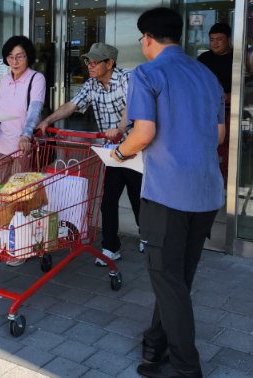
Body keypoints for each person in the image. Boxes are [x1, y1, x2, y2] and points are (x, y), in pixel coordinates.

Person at [112, 8, 225, 378]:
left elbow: (143, 133)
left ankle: (186, 368)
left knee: (167, 278)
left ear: (146, 38)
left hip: (167, 194)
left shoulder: (147, 73)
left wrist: (118, 154)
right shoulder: (206, 74)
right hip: (206, 193)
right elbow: (220, 136)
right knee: (177, 279)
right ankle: (153, 347)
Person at [37, 42, 142, 267]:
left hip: (136, 148)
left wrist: (121, 129)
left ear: (110, 63)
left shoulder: (128, 78)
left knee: (138, 198)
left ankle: (148, 236)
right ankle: (111, 247)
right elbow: (72, 105)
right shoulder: (92, 84)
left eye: (94, 62)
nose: (90, 66)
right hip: (112, 152)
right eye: (88, 62)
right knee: (108, 200)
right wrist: (48, 120)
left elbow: (134, 106)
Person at [0, 35, 46, 267]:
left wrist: (25, 135)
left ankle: (22, 245)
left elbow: (34, 111)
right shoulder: (4, 80)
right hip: (2, 146)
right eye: (10, 56)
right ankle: (1, 238)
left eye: (20, 56)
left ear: (28, 56)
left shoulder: (36, 78)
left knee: (20, 199)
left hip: (23, 148)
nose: (15, 61)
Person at [197, 23, 233, 102]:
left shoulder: (237, 58)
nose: (215, 43)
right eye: (212, 40)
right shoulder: (203, 58)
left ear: (229, 40)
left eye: (219, 39)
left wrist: (231, 95)